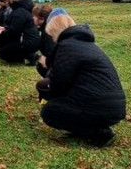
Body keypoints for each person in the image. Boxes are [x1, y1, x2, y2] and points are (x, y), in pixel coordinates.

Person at [36, 11, 126, 146]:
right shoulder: (86, 44)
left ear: (55, 32)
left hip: (100, 105)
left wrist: (43, 87)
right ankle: (91, 127)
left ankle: (98, 133)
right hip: (113, 105)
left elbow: (58, 85)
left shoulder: (66, 46)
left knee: (49, 112)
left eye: (51, 36)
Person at [0, 0, 40, 64]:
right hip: (28, 39)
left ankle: (29, 57)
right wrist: (3, 29)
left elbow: (14, 31)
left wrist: (0, 32)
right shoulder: (21, 9)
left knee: (3, 53)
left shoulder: (19, 12)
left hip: (26, 42)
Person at [32, 4, 54, 77]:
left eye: (34, 16)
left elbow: (50, 52)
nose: (32, 18)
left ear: (41, 19)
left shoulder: (48, 33)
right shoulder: (46, 28)